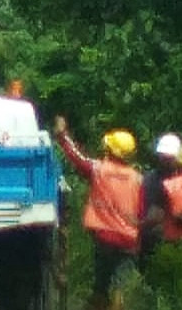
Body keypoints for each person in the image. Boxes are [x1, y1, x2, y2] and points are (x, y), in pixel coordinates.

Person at [54, 116, 142, 310]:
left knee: (101, 283)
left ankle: (102, 300)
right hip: (130, 240)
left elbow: (76, 157)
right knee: (122, 283)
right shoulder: (138, 179)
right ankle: (117, 299)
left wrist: (62, 135)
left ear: (110, 150)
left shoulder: (99, 169)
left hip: (104, 237)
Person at [138, 132, 181, 262]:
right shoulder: (148, 180)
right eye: (164, 157)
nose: (166, 161)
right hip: (149, 239)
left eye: (169, 157)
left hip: (176, 239)